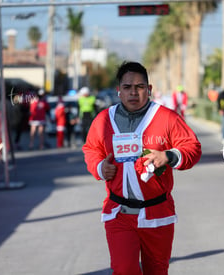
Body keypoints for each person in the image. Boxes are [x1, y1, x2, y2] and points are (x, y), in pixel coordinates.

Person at [82, 61, 202, 275]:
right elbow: (91, 149)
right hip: (119, 213)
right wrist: (100, 168)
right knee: (124, 269)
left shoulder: (167, 117)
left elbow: (192, 147)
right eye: (127, 87)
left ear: (149, 89)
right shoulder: (104, 120)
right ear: (119, 91)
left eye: (139, 87)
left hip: (157, 212)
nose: (133, 93)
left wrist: (169, 156)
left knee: (157, 270)